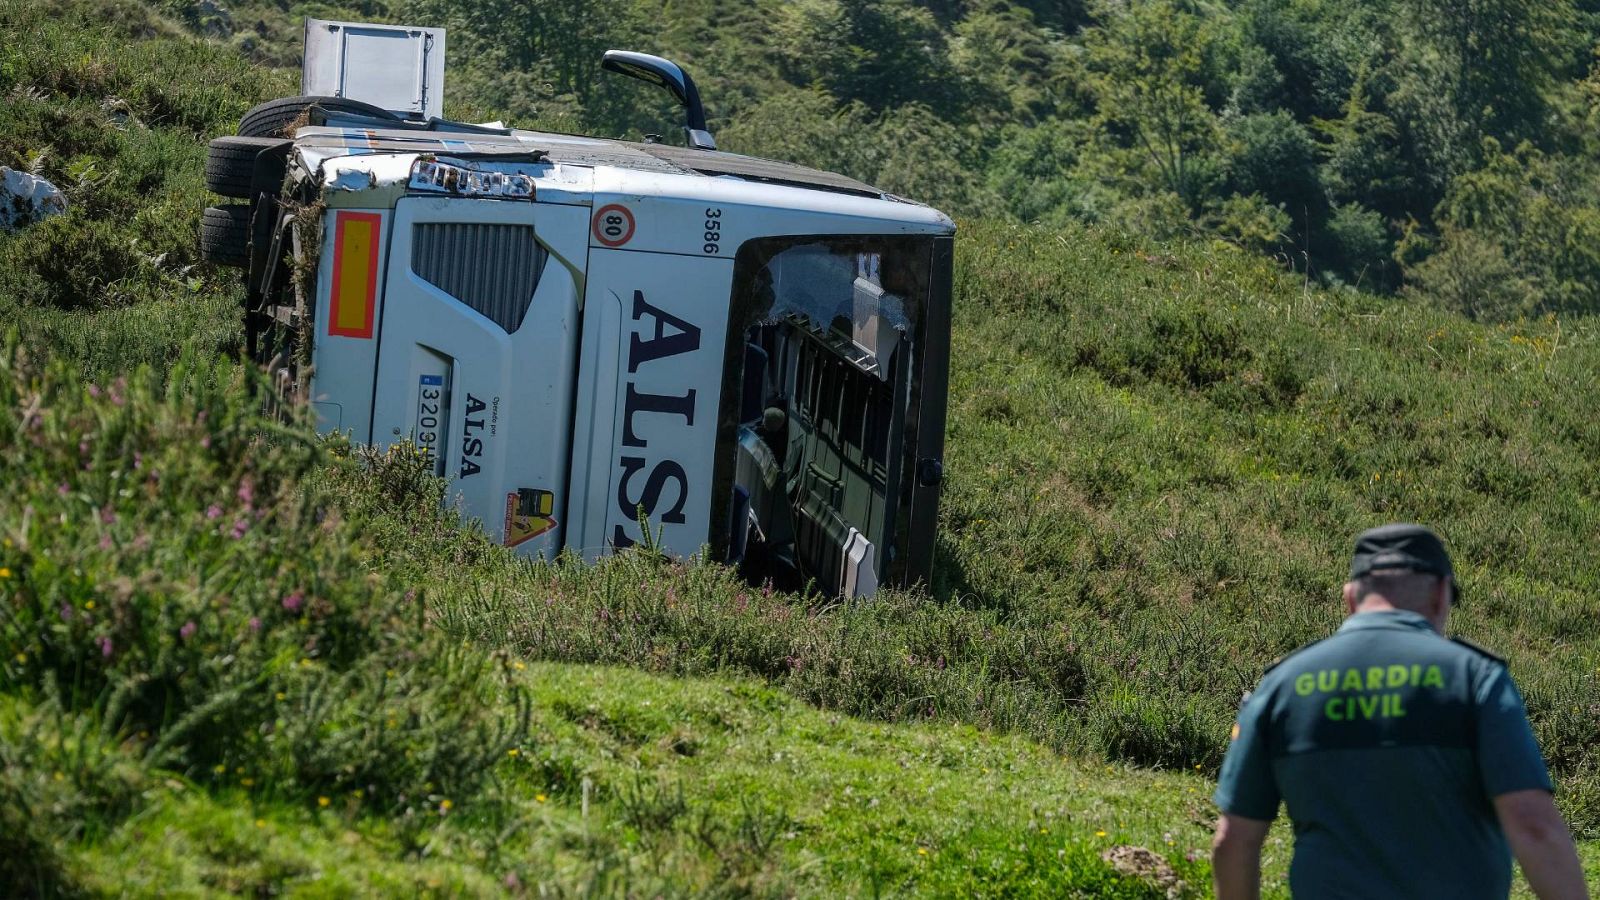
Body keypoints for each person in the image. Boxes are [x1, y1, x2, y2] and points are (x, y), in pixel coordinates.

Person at [1210, 523, 1589, 900]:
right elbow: (1533, 825)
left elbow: (1233, 841)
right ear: (1441, 595)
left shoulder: (1282, 686)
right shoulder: (1473, 678)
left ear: (1350, 599)